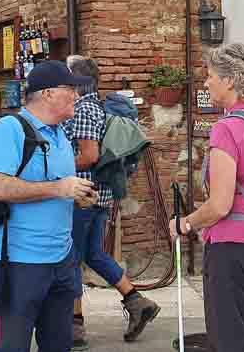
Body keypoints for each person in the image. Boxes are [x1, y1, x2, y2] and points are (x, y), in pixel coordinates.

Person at [168, 43, 244, 352]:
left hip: (234, 249)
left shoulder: (227, 129)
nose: (206, 83)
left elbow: (220, 204)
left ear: (230, 80)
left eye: (210, 76)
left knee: (229, 340)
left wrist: (186, 224)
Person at [0, 60, 99, 352]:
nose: (76, 94)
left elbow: (55, 184)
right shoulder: (9, 129)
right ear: (47, 94)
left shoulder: (59, 133)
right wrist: (59, 188)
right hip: (16, 262)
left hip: (60, 260)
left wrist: (76, 195)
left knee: (59, 346)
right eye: (69, 89)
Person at [64, 56, 159, 350]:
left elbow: (89, 155)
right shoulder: (99, 108)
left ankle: (74, 326)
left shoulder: (82, 110)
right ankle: (136, 301)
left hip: (83, 196)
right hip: (100, 196)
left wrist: (56, 167)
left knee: (70, 259)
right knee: (93, 254)